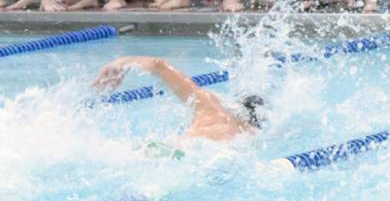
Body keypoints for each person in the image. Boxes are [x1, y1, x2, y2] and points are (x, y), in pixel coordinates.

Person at [93, 56, 264, 141]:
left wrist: (121, 63)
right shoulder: (248, 134)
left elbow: (158, 64)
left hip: (174, 154)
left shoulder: (210, 107)